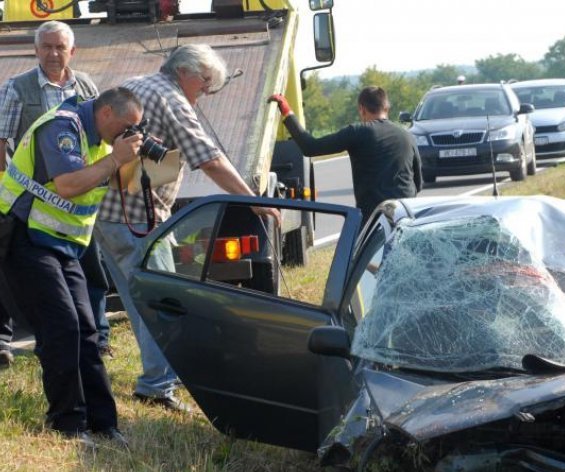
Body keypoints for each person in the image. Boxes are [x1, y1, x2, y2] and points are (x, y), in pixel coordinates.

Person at [95, 44, 279, 412]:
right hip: (139, 221)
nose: (207, 91)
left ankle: (157, 377)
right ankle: (158, 386)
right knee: (167, 304)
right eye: (205, 82)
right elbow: (209, 160)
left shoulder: (138, 85)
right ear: (186, 72)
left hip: (109, 216)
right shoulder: (172, 99)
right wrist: (253, 199)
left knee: (138, 302)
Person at [0, 87, 144, 447]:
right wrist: (116, 158)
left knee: (87, 329)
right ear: (107, 112)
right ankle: (67, 425)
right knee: (61, 326)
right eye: (126, 126)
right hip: (25, 236)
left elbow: (116, 185)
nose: (126, 135)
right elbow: (67, 185)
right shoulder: (63, 127)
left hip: (62, 244)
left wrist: (135, 160)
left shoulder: (98, 141)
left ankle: (103, 424)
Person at [0, 21, 112, 367]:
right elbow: (2, 144)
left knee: (90, 269)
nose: (53, 54)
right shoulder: (16, 89)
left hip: (76, 204)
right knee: (12, 271)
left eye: (59, 47)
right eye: (46, 47)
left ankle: (98, 338)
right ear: (35, 50)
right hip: (31, 204)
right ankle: (4, 342)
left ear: (72, 51)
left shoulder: (87, 87)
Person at [268, 86, 422, 225]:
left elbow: (310, 147)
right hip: (406, 217)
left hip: (374, 221)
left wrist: (287, 111)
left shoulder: (358, 132)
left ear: (362, 109)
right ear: (386, 107)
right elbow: (418, 183)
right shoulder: (407, 136)